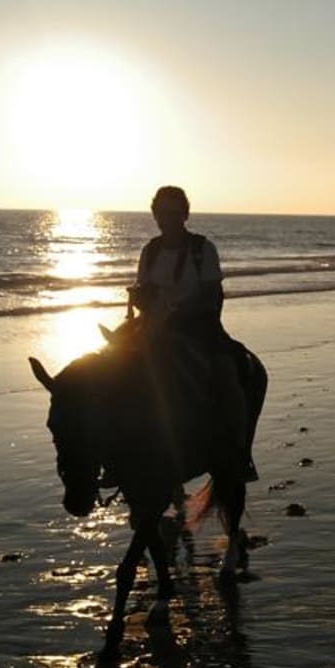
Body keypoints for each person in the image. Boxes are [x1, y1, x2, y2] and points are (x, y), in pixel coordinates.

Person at [129, 185, 257, 481]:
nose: (168, 219)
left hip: (198, 324)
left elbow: (213, 294)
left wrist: (180, 310)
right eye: (162, 213)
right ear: (155, 215)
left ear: (185, 215)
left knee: (227, 374)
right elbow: (144, 289)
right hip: (153, 324)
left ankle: (239, 453)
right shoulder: (151, 251)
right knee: (108, 366)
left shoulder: (202, 249)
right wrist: (140, 299)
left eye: (174, 213)